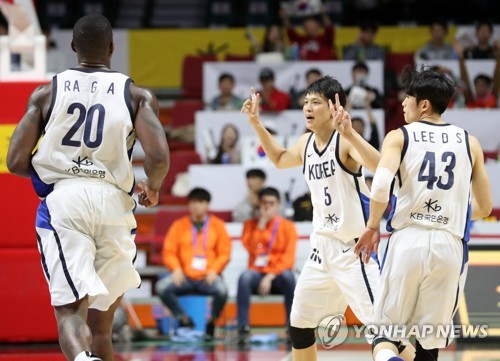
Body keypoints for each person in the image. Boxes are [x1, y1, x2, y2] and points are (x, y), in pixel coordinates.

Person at [6, 14, 170, 361]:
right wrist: (152, 187)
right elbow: (158, 155)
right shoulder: (138, 95)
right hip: (114, 201)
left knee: (70, 312)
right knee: (101, 325)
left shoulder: (46, 92)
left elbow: (15, 161)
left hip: (67, 200)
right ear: (112, 48)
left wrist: (53, 171)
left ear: (72, 48)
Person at [241, 78, 414, 360]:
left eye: (316, 102)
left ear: (334, 106)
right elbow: (281, 159)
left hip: (354, 251)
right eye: (306, 102)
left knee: (385, 332)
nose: (308, 107)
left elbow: (380, 166)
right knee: (300, 324)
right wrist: (257, 125)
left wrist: (351, 134)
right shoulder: (306, 143)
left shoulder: (344, 143)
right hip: (321, 251)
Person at [354, 67, 492, 361]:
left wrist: (372, 225)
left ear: (424, 104)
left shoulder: (399, 136)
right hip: (449, 246)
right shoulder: (471, 142)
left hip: (409, 240)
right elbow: (485, 206)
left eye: (408, 98)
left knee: (385, 335)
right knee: (428, 344)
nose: (403, 103)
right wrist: (451, 211)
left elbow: (380, 187)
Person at [155, 188, 231, 340]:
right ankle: (182, 318)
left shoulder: (218, 226)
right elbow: (169, 251)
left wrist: (214, 270)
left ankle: (212, 321)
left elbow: (224, 253)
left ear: (207, 205)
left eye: (201, 202)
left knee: (222, 290)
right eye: (193, 202)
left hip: (207, 277)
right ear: (189, 205)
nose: (197, 206)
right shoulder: (179, 225)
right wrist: (175, 269)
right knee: (162, 287)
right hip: (184, 277)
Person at [236, 187, 298, 344]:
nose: (267, 207)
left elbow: (288, 259)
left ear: (277, 205)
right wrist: (260, 226)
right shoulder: (250, 225)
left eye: (271, 203)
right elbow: (250, 247)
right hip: (257, 274)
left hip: (277, 276)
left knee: (289, 276)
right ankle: (243, 328)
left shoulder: (288, 227)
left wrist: (270, 276)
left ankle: (292, 328)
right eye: (264, 203)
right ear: (259, 204)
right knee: (244, 277)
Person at [454, 41, 500, 108]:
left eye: (482, 85)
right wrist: (461, 57)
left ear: (488, 87)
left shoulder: (493, 96)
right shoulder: (470, 98)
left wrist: (498, 55)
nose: (480, 88)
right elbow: (464, 80)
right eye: (477, 85)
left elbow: (497, 77)